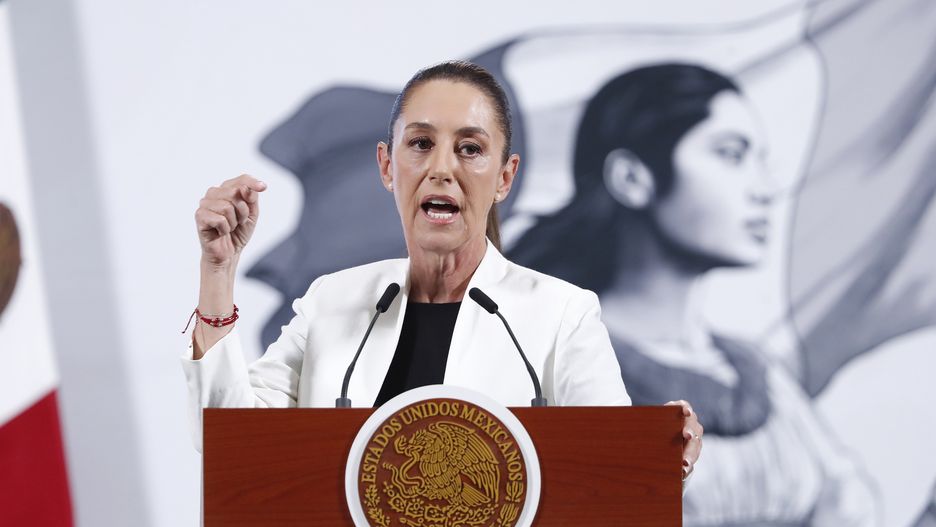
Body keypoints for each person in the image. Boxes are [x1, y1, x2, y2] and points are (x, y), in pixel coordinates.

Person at [181, 61, 703, 477]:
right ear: (388, 166)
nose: (442, 168)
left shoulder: (561, 314)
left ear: (504, 177)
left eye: (470, 149)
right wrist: (218, 273)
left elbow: (615, 474)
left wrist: (663, 457)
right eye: (422, 144)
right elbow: (228, 443)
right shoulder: (330, 303)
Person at [509, 64, 879, 525]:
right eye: (730, 154)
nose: (764, 189)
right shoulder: (551, 364)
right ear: (632, 178)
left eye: (761, 159)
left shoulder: (760, 374)